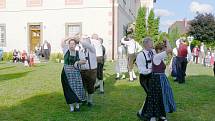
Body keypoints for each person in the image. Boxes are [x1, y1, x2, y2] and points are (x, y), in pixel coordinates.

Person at [151, 39, 176, 121]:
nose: (165, 51)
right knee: (158, 96)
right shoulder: (157, 56)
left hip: (161, 79)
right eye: (163, 50)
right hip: (158, 79)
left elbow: (169, 51)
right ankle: (155, 115)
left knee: (162, 96)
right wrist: (168, 41)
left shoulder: (158, 57)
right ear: (159, 50)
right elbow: (169, 50)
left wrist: (165, 43)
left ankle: (161, 115)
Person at [61, 37, 86, 112]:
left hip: (76, 73)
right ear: (68, 45)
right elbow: (62, 41)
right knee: (68, 89)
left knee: (78, 88)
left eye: (73, 44)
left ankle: (77, 105)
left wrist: (77, 62)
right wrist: (70, 37)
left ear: (75, 45)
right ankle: (71, 106)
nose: (72, 45)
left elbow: (84, 61)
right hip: (66, 73)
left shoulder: (79, 52)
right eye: (70, 44)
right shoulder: (65, 50)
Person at [136, 37, 156, 121]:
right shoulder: (140, 55)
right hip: (145, 79)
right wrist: (150, 70)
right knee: (151, 95)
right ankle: (150, 115)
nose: (153, 44)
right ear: (146, 44)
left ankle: (141, 112)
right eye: (151, 43)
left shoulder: (153, 52)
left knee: (151, 95)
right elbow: (141, 70)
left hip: (153, 77)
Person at [79, 35, 97, 107]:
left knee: (90, 86)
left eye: (86, 40)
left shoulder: (92, 48)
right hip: (82, 70)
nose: (84, 43)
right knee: (83, 86)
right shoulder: (80, 51)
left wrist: (80, 39)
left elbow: (86, 45)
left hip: (91, 70)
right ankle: (84, 99)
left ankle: (90, 101)